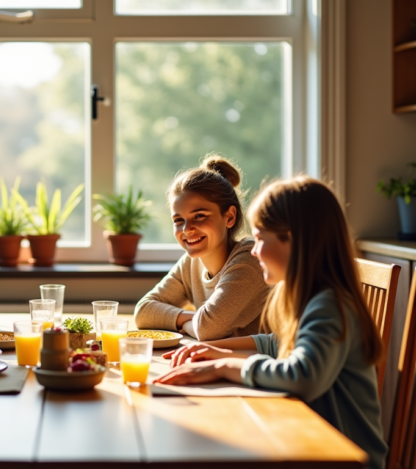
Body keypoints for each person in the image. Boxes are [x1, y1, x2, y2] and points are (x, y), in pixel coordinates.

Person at [155, 177, 388, 469]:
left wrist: (224, 366)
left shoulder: (330, 305)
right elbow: (276, 343)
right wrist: (215, 349)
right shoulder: (308, 297)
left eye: (261, 238)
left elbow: (303, 375)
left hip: (344, 457)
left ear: (296, 239)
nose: (253, 250)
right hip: (310, 446)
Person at [134, 155, 270, 340]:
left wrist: (190, 323)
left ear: (229, 217)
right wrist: (193, 320)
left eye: (199, 216)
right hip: (216, 362)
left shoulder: (250, 260)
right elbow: (143, 311)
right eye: (178, 220)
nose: (187, 229)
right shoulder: (190, 263)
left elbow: (207, 329)